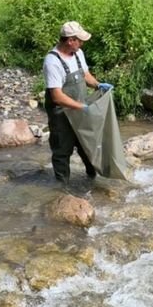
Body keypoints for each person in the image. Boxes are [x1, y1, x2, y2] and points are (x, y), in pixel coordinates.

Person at [43, 21, 114, 186]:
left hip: (80, 112)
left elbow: (85, 75)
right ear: (70, 41)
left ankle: (92, 182)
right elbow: (57, 96)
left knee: (88, 147)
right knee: (62, 152)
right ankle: (61, 190)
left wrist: (98, 85)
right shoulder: (52, 62)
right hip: (61, 115)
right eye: (79, 40)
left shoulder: (78, 53)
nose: (82, 43)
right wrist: (83, 107)